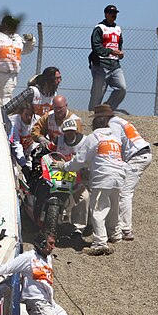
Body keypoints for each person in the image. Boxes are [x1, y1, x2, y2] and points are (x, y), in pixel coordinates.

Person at [55, 109, 126, 255]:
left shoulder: (94, 137)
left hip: (103, 177)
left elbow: (79, 160)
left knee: (98, 209)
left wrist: (64, 166)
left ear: (94, 125)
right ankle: (115, 234)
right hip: (119, 175)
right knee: (113, 207)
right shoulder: (114, 138)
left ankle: (100, 242)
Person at [94, 104, 152, 241]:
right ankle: (120, 226)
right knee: (121, 189)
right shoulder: (119, 121)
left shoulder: (113, 124)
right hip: (140, 154)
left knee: (124, 192)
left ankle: (126, 229)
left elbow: (115, 145)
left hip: (137, 157)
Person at [0, 15, 36, 103]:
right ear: (4, 24)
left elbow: (27, 49)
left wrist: (31, 40)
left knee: (7, 98)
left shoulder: (18, 39)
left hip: (12, 75)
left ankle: (4, 116)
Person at [88, 4, 126, 111]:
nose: (114, 15)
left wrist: (119, 54)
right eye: (111, 13)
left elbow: (119, 44)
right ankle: (91, 114)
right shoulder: (99, 28)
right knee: (98, 93)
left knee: (121, 88)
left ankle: (107, 108)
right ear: (106, 14)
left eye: (115, 13)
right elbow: (96, 46)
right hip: (100, 65)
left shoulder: (118, 29)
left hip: (115, 65)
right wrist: (111, 51)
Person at [8, 101, 37, 168]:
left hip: (28, 151)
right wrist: (23, 164)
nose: (29, 117)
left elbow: (37, 142)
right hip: (13, 151)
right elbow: (16, 143)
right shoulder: (13, 122)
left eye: (31, 114)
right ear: (20, 114)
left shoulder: (36, 120)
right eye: (26, 115)